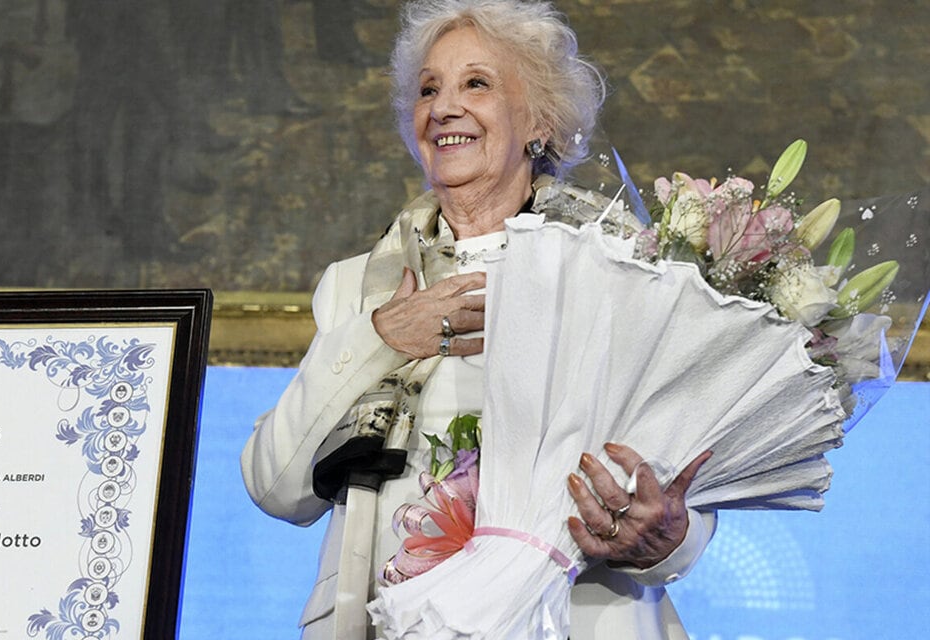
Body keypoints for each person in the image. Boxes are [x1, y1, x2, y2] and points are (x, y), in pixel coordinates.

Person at [241, 1, 714, 638]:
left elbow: (684, 497)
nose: (443, 108)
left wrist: (666, 537)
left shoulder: (621, 270)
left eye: (477, 84)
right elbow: (277, 487)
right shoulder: (357, 288)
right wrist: (382, 337)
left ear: (539, 122)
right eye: (428, 88)